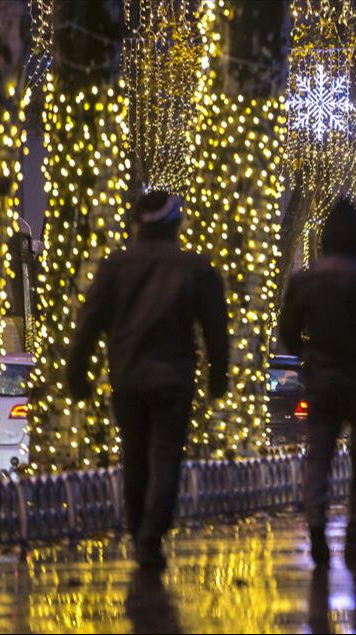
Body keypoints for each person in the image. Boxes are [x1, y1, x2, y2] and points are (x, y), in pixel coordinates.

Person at [67, 191, 230, 570]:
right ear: (176, 224)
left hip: (127, 378)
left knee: (135, 457)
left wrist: (78, 374)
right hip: (174, 380)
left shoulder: (115, 268)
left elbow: (88, 324)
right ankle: (150, 536)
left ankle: (140, 529)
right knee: (166, 457)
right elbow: (216, 331)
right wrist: (217, 377)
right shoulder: (195, 269)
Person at [280, 198, 356, 568]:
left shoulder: (305, 281)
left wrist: (309, 358)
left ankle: (316, 530)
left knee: (319, 456)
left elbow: (288, 332)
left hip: (321, 383)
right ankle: (354, 535)